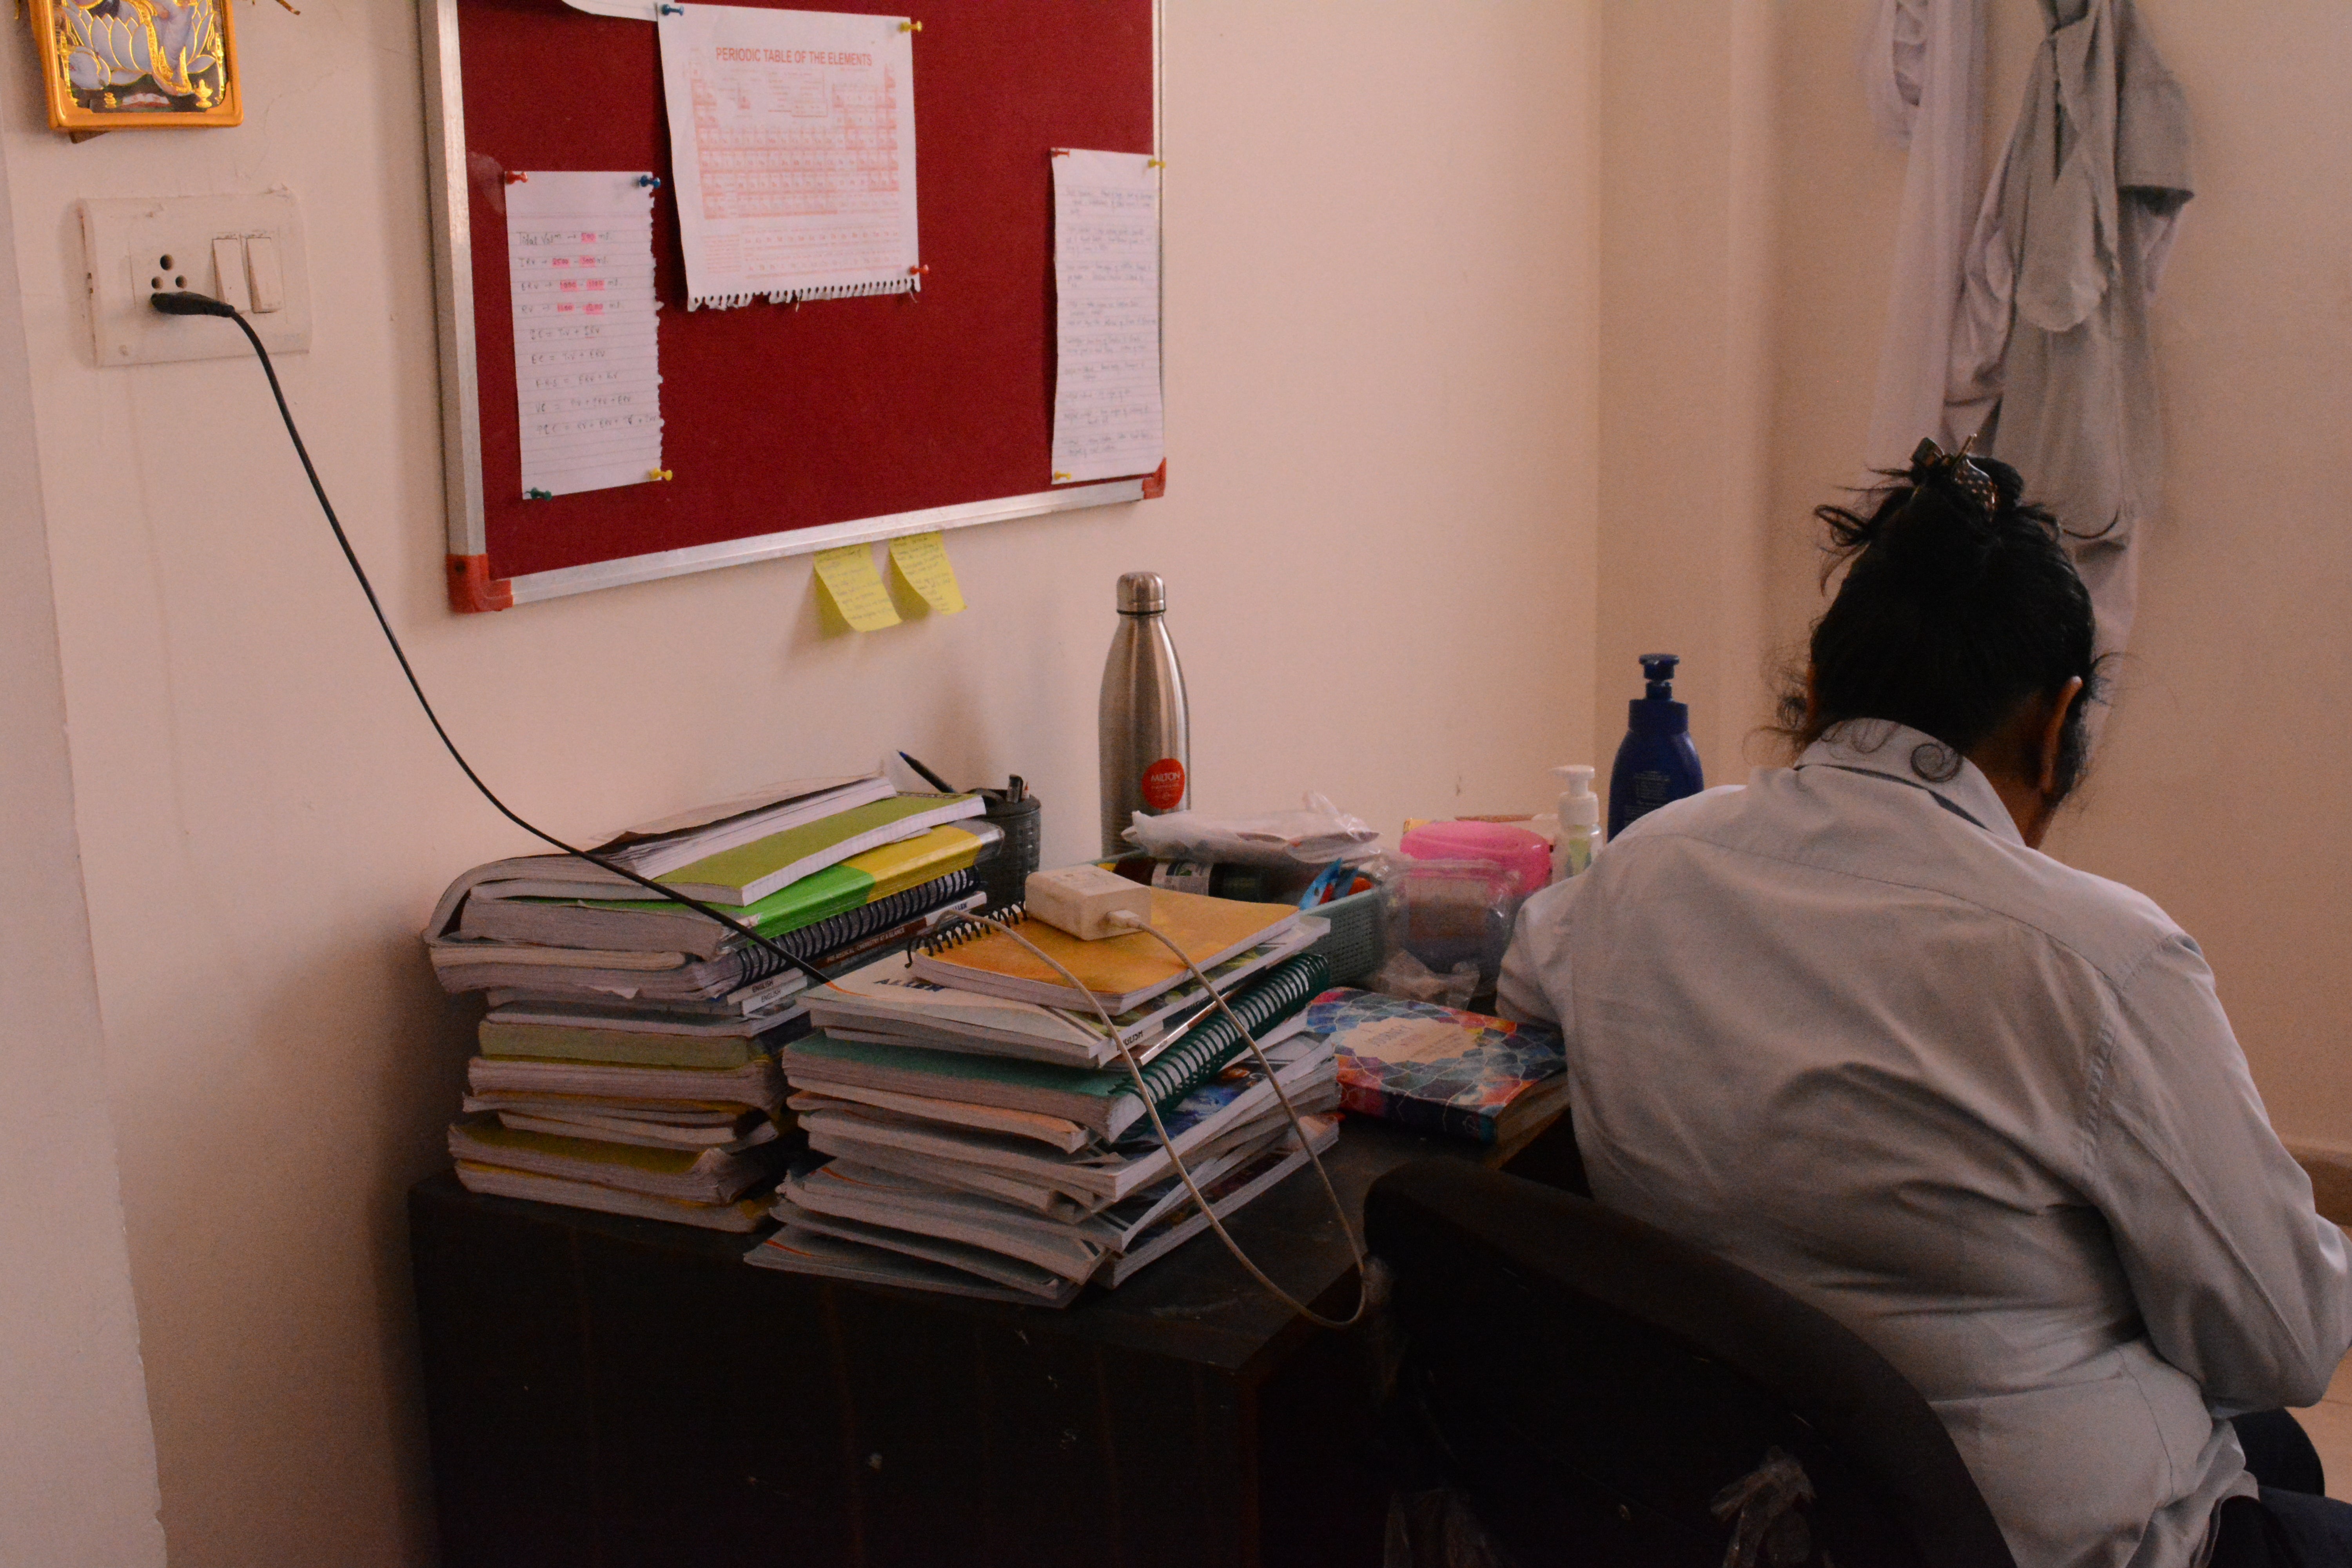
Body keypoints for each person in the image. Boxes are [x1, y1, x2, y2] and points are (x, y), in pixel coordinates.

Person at [1499, 441, 2352, 1568]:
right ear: (2057, 722)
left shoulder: (1643, 870)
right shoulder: (2102, 959)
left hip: (1757, 1506)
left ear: (1821, 684)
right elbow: (2286, 1342)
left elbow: (1524, 972)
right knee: (2276, 1456)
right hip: (2039, 1537)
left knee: (2278, 1454)